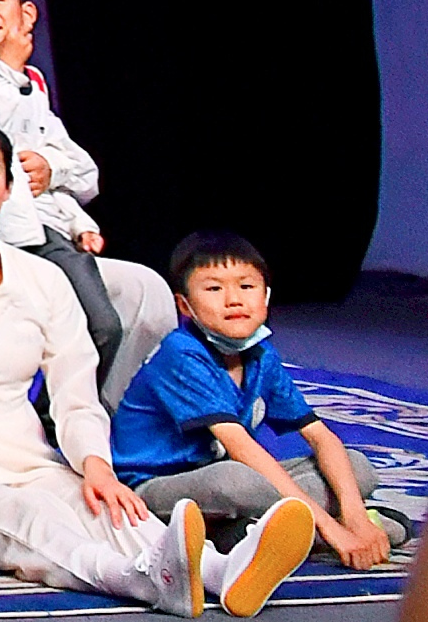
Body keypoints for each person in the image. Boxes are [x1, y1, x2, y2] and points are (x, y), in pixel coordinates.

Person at [0, 115, 294, 614]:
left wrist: (96, 466)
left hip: (28, 455)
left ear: (8, 187)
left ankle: (219, 571)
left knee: (109, 508)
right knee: (34, 519)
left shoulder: (42, 277)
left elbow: (75, 392)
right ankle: (141, 581)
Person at [111, 229, 409, 580]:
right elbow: (240, 447)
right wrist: (333, 528)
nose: (234, 300)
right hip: (154, 486)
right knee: (239, 482)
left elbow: (319, 436)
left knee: (357, 467)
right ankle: (295, 532)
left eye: (246, 286)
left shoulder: (261, 354)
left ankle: (252, 534)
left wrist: (355, 515)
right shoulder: (182, 354)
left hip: (229, 480)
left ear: (266, 296)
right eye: (214, 289)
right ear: (185, 306)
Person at [0, 0, 177, 404]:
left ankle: (94, 412)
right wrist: (7, 69)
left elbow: (82, 172)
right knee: (99, 325)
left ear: (27, 14)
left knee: (130, 305)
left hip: (51, 228)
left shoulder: (34, 82)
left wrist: (58, 182)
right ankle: (59, 417)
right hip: (11, 236)